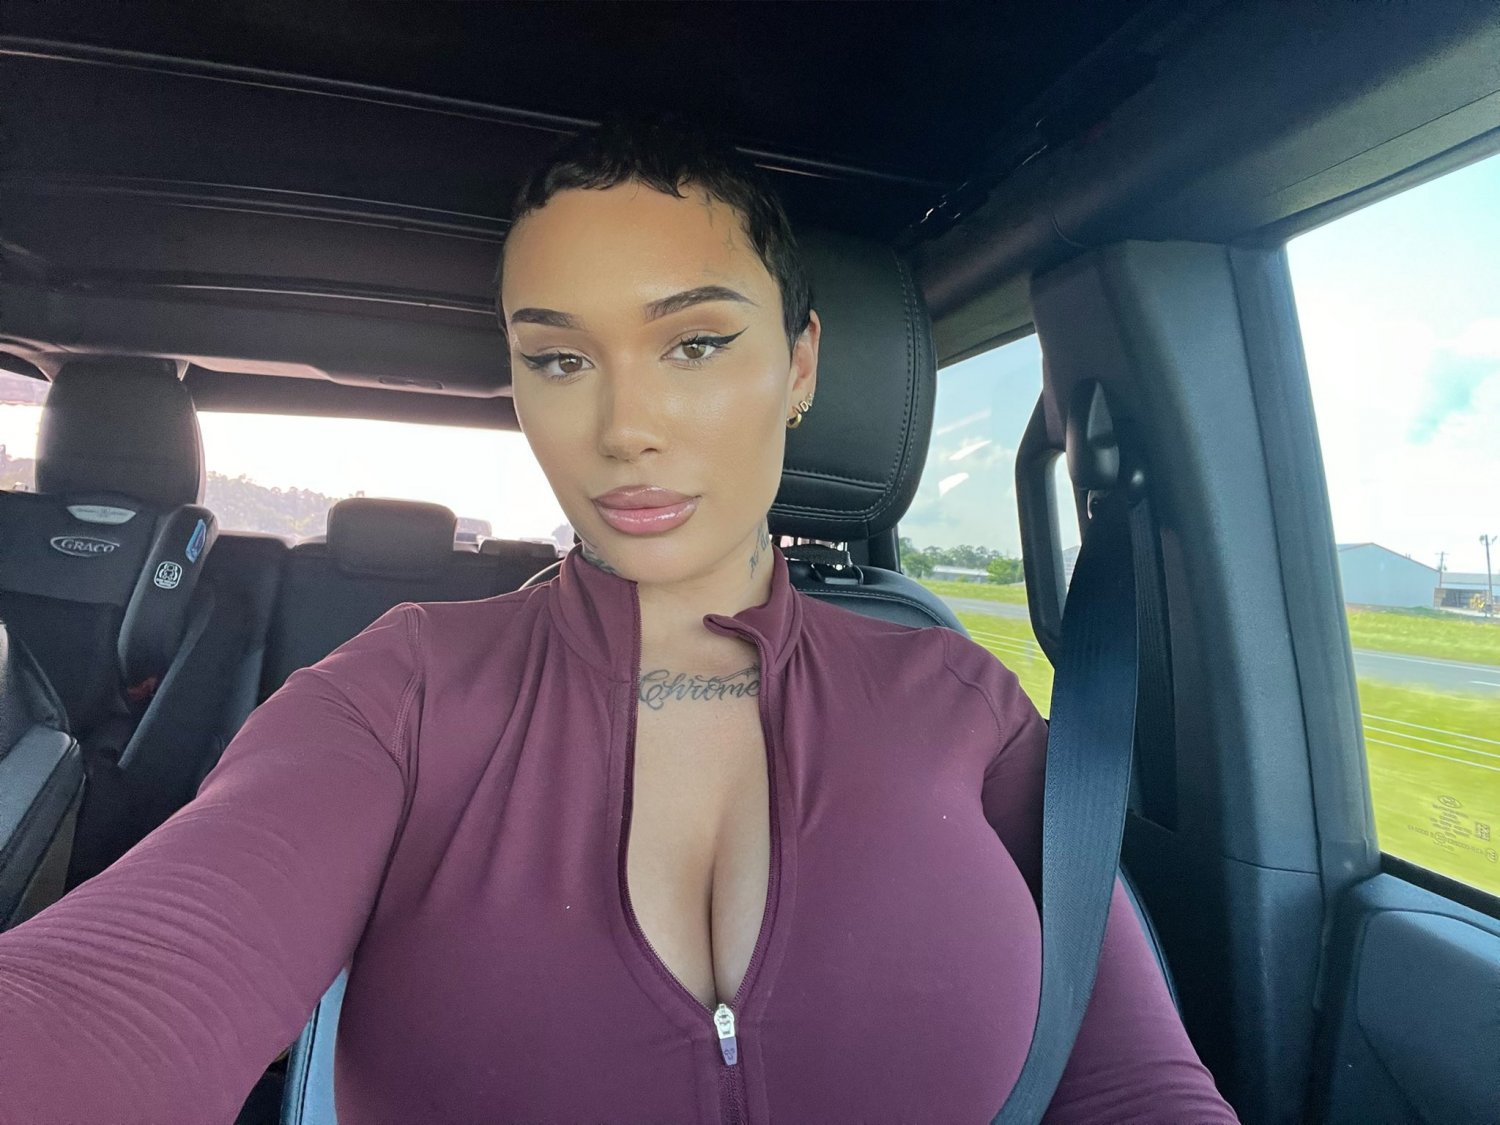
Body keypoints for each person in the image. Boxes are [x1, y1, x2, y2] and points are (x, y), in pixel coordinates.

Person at [0, 117, 1237, 1124]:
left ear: (801, 366)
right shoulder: (401, 695)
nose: (623, 427)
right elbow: (114, 1004)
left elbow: (1137, 1091)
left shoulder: (968, 710)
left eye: (695, 344)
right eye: (559, 359)